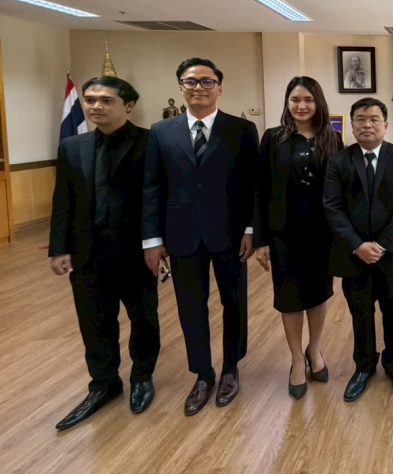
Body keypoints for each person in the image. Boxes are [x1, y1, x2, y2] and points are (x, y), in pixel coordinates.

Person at [142, 57, 258, 415]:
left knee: (234, 303)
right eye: (191, 81)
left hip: (230, 234)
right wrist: (152, 240)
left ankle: (230, 369)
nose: (199, 88)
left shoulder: (241, 130)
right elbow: (152, 188)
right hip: (182, 235)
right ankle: (203, 373)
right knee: (191, 307)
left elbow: (252, 185)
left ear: (219, 88)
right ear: (181, 87)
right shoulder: (161, 132)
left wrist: (251, 229)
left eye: (207, 82)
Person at [49, 76, 160, 430]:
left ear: (128, 105)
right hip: (87, 252)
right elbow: (63, 200)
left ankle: (142, 376)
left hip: (134, 252)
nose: (95, 106)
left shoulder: (150, 142)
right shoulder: (72, 146)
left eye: (106, 100)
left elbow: (158, 197)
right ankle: (104, 383)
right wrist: (58, 248)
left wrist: (157, 243)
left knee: (143, 318)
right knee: (94, 321)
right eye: (90, 99)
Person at [254, 76, 342, 399]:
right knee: (289, 297)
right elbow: (260, 190)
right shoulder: (273, 138)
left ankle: (314, 350)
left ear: (318, 103)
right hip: (283, 234)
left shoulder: (332, 139)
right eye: (295, 100)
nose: (301, 106)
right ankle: (295, 359)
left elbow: (340, 189)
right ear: (287, 103)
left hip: (321, 234)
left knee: (318, 294)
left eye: (308, 99)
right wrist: (260, 239)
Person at [324, 97, 393, 402]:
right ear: (352, 126)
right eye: (360, 120)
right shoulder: (338, 161)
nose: (367, 125)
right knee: (360, 313)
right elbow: (332, 206)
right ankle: (364, 366)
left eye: (374, 119)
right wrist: (357, 245)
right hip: (354, 257)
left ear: (386, 125)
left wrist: (383, 244)